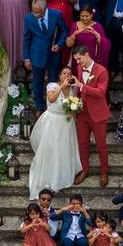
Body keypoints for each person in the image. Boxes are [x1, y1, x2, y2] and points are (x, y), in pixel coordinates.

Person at [27, 66, 82, 200]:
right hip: (52, 122)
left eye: (69, 74)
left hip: (66, 123)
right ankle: (49, 177)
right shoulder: (52, 85)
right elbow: (51, 99)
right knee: (51, 149)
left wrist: (73, 111)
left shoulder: (72, 89)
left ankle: (61, 177)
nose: (67, 76)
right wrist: (61, 86)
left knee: (63, 150)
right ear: (59, 76)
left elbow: (72, 105)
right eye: (64, 73)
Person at [71, 44, 111, 186]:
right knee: (82, 144)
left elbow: (101, 93)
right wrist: (74, 103)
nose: (78, 62)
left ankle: (104, 172)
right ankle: (84, 170)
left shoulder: (102, 71)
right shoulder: (79, 68)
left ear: (87, 54)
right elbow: (79, 90)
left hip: (98, 114)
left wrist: (82, 86)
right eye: (76, 59)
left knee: (101, 145)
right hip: (82, 113)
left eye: (79, 59)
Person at [22, 0, 68, 112]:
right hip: (36, 55)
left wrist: (59, 44)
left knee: (53, 81)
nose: (35, 14)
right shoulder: (28, 18)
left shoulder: (56, 15)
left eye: (37, 12)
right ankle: (39, 106)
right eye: (33, 11)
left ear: (44, 8)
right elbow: (26, 39)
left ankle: (51, 106)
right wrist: (26, 58)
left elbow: (64, 30)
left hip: (53, 55)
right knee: (37, 82)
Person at [65, 4, 109, 70]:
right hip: (77, 60)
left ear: (91, 15)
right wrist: (74, 34)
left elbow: (105, 44)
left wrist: (96, 34)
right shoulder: (74, 25)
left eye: (87, 16)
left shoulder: (98, 26)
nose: (84, 18)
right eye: (82, 16)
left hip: (92, 60)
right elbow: (68, 44)